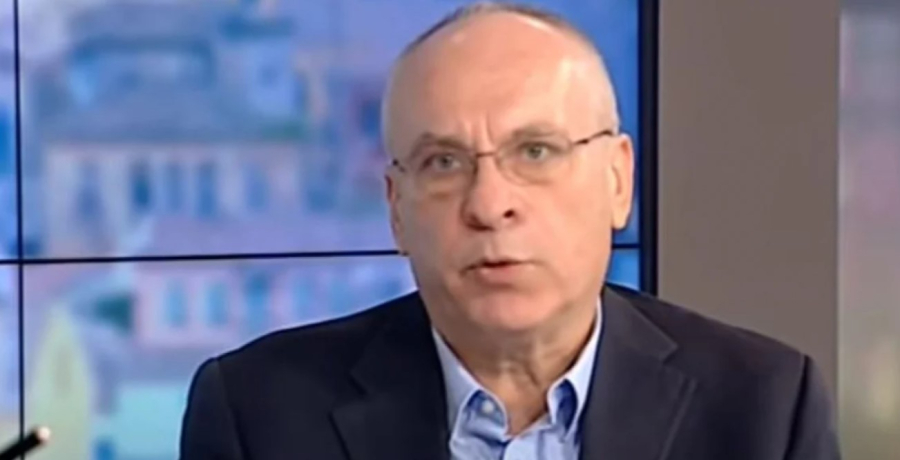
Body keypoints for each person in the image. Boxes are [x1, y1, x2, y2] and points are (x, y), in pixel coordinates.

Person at [180, 3, 841, 459]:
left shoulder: (763, 410)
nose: (491, 204)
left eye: (536, 152)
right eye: (444, 163)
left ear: (618, 180)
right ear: (396, 209)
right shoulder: (256, 417)